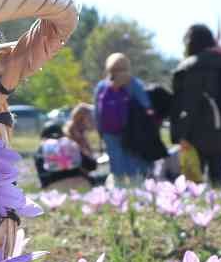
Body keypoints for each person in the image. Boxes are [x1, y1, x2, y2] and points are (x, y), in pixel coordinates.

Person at [169, 24, 221, 189]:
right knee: (218, 175)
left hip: (194, 132)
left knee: (193, 179)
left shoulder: (185, 67)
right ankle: (219, 209)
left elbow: (179, 106)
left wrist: (178, 135)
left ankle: (197, 210)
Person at [94, 53, 154, 182]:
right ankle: (135, 186)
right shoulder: (134, 83)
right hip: (130, 130)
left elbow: (97, 112)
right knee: (132, 159)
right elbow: (146, 105)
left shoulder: (101, 86)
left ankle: (118, 186)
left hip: (108, 130)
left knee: (116, 161)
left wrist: (100, 131)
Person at [33, 123, 95, 189]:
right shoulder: (70, 143)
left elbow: (41, 170)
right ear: (62, 133)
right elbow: (92, 166)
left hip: (52, 184)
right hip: (77, 181)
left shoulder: (42, 148)